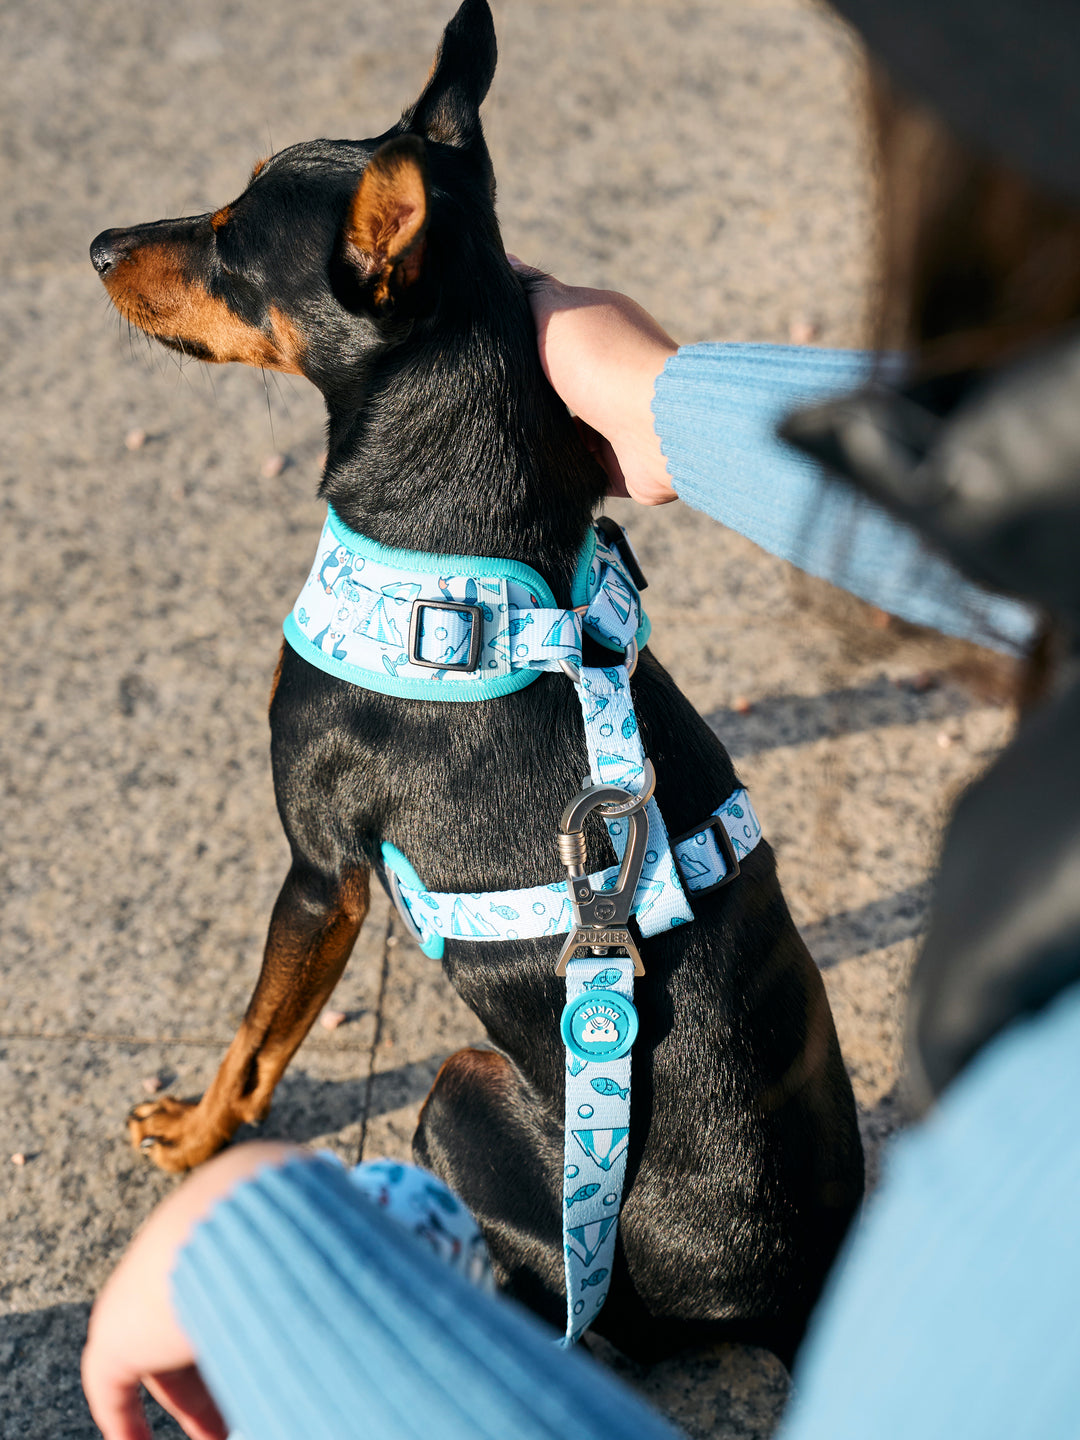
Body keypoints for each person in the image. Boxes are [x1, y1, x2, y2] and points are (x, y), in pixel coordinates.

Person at [83, 0, 1080, 1435]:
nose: (156, 264)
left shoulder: (374, 672)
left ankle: (514, 1289)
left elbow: (326, 897)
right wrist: (667, 405)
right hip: (804, 1197)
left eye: (228, 258)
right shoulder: (562, 601)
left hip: (677, 1251)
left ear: (383, 269)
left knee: (454, 1099)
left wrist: (254, 1217)